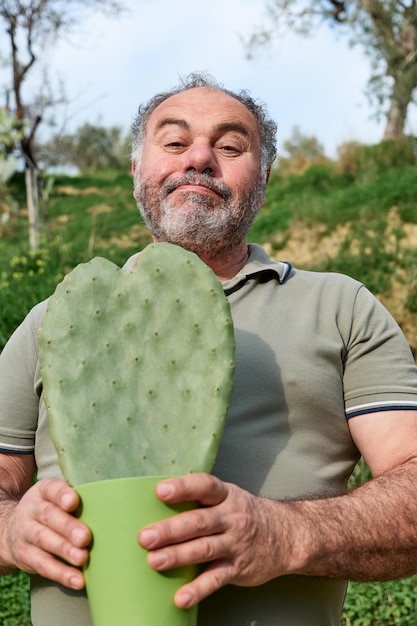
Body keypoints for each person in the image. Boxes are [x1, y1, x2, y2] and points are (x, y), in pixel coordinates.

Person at [1, 72, 417, 626]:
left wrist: (287, 534)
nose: (198, 158)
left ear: (263, 179)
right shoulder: (56, 320)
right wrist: (10, 532)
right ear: (135, 172)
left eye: (229, 146)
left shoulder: (342, 307)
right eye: (173, 142)